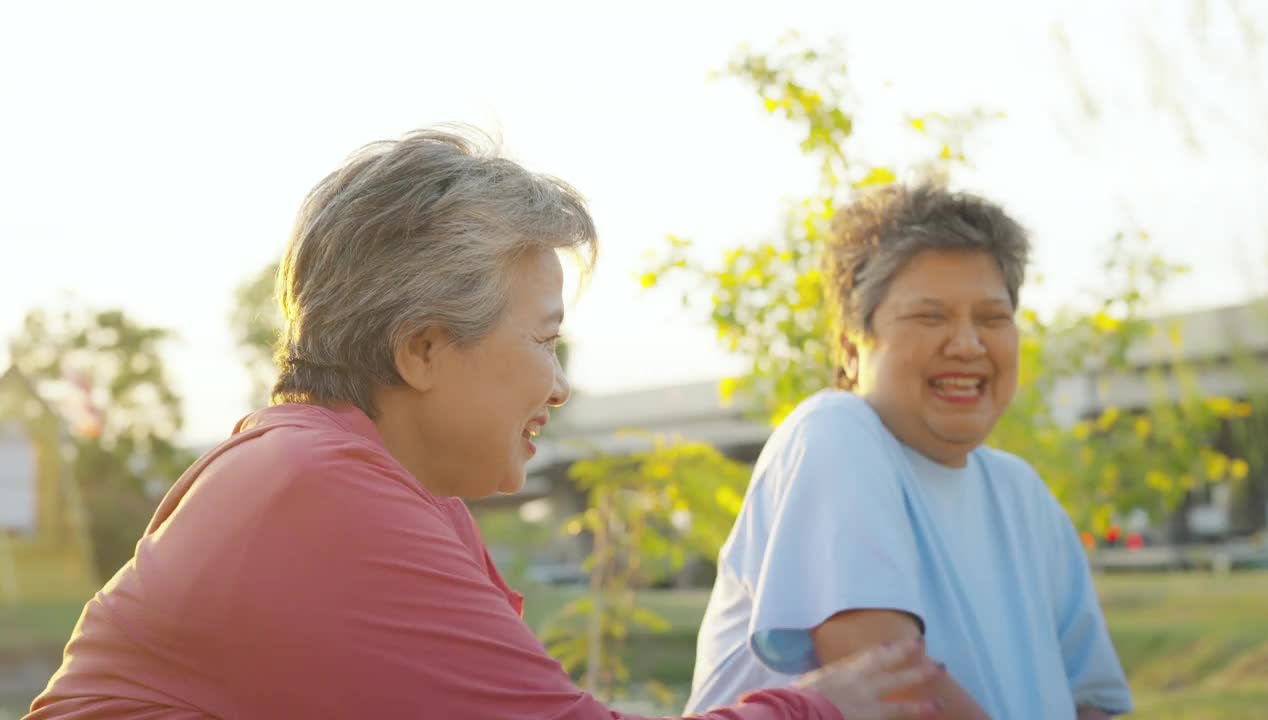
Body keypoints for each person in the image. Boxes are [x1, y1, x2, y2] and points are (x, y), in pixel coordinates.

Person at [26, 128, 945, 720]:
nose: (560, 388)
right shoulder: (317, 495)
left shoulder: (360, 485)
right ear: (423, 347)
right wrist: (828, 706)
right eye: (547, 341)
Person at [684, 185, 1134, 720]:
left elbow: (1090, 702)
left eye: (992, 319)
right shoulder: (834, 432)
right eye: (930, 317)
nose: (967, 344)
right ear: (852, 349)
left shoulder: (1022, 493)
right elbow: (893, 685)